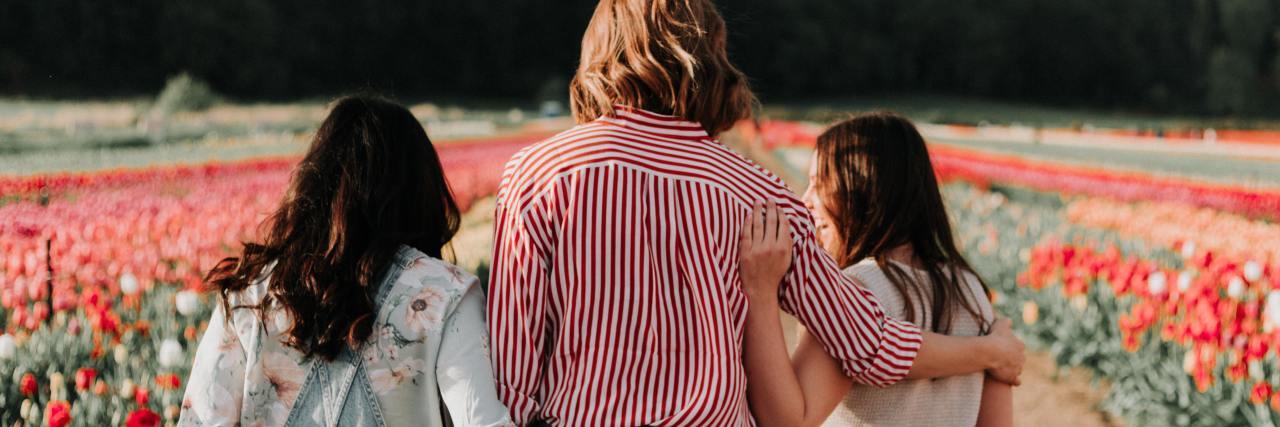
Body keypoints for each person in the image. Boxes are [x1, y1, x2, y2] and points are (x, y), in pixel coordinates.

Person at [486, 1, 1025, 425]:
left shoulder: (537, 175)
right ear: (710, 59)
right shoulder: (759, 195)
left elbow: (512, 374)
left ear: (598, 54)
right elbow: (870, 344)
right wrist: (989, 351)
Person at [179, 95, 513, 427]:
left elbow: (201, 421)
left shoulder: (249, 293)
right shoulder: (444, 295)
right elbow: (482, 420)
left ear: (313, 181)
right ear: (418, 189)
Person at [738, 113, 1013, 426]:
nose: (805, 201)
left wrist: (760, 293)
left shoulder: (857, 288)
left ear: (861, 188)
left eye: (819, 184)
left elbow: (786, 421)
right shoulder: (971, 289)